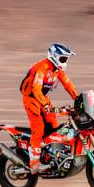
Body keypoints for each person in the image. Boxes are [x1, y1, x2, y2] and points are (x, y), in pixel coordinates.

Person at [19, 42, 79, 174]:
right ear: (54, 56)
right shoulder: (41, 68)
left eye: (66, 59)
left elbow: (68, 84)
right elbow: (36, 89)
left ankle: (48, 153)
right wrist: (45, 106)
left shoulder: (57, 70)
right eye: (63, 59)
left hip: (42, 98)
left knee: (53, 124)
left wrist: (78, 99)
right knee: (38, 127)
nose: (65, 62)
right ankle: (34, 163)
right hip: (31, 98)